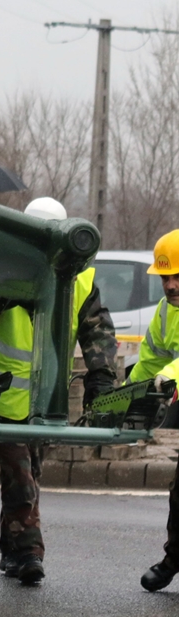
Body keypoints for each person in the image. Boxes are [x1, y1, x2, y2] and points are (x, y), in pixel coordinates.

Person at [0, 197, 117, 585]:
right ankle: (31, 552)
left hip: (46, 397)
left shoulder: (80, 277)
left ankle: (10, 548)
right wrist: (16, 285)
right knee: (21, 476)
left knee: (27, 473)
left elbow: (97, 330)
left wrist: (101, 380)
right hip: (0, 393)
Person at [131, 229, 179, 592]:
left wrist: (169, 376)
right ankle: (174, 559)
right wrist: (128, 395)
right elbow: (150, 360)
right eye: (165, 277)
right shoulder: (166, 312)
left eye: (177, 276)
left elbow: (168, 369)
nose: (171, 285)